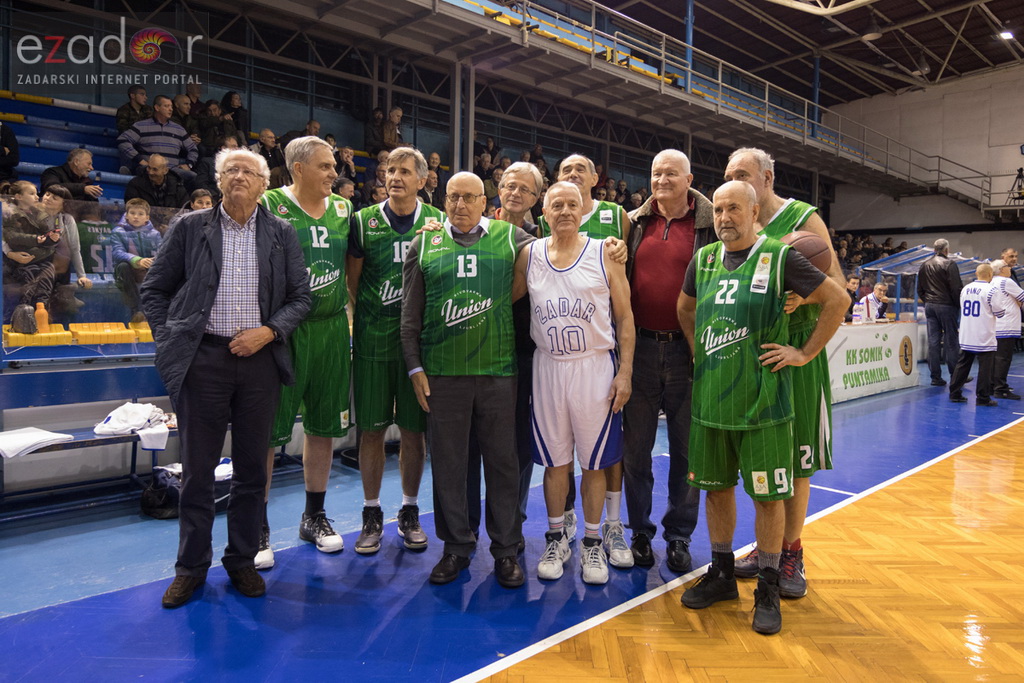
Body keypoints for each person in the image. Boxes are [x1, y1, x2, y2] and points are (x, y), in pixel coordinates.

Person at [141, 147, 311, 608]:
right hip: (204, 361)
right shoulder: (189, 228)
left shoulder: (281, 233)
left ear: (263, 185)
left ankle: (241, 561)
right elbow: (154, 289)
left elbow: (301, 298)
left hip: (259, 362)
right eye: (230, 170)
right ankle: (190, 569)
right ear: (219, 181)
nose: (239, 176)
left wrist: (268, 332)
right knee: (197, 472)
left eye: (248, 171)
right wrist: (174, 338)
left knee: (253, 470)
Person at [677, 180, 846, 635]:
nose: (725, 217)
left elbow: (838, 299)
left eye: (735, 209)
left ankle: (768, 586)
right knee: (716, 490)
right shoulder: (704, 259)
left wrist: (804, 353)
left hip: (764, 404)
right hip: (712, 402)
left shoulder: (782, 256)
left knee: (769, 498)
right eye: (719, 210)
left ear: (755, 213)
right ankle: (722, 574)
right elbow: (685, 310)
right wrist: (698, 351)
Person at [400, 172, 534, 588]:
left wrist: (610, 248)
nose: (460, 205)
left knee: (503, 465)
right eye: (453, 197)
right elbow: (410, 315)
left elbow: (563, 251)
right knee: (450, 466)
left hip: (498, 372)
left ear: (484, 201)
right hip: (442, 374)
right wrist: (415, 367)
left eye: (469, 197)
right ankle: (456, 548)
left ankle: (506, 550)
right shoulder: (424, 242)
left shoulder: (513, 240)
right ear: (443, 201)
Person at [723, 147, 844, 598]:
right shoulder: (738, 222)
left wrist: (802, 305)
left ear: (768, 178)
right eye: (730, 174)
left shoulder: (801, 219)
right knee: (764, 457)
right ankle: (766, 546)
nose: (736, 180)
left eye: (744, 174)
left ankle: (792, 550)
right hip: (755, 354)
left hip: (795, 350)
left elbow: (835, 288)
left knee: (795, 460)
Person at [520, 181, 634, 585]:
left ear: (584, 209)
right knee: (555, 463)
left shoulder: (604, 252)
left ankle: (590, 544)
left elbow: (624, 317)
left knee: (594, 462)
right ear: (544, 213)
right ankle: (556, 537)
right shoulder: (529, 254)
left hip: (594, 367)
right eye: (557, 205)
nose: (565, 211)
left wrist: (625, 372)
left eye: (572, 204)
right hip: (548, 367)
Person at [255, 137, 352, 570]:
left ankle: (313, 515)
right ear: (297, 168)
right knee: (267, 433)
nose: (335, 173)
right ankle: (256, 525)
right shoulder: (269, 204)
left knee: (324, 425)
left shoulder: (345, 211)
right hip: (284, 330)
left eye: (334, 166)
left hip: (332, 328)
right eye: (326, 166)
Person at [347, 147, 441, 555]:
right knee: (370, 430)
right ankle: (371, 512)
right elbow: (353, 282)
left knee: (414, 434)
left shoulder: (437, 223)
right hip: (373, 341)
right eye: (390, 170)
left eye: (405, 171)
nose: (395, 176)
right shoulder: (363, 222)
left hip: (419, 348)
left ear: (422, 180)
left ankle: (409, 509)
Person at [623, 149, 711, 574]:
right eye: (656, 173)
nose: (661, 180)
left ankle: (679, 537)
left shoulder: (709, 224)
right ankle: (639, 531)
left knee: (687, 453)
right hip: (638, 348)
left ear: (689, 178)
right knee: (635, 450)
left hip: (688, 349)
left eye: (670, 173)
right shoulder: (633, 222)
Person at [2, 181, 57, 328]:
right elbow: (12, 238)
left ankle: (42, 317)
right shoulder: (10, 214)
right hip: (22, 260)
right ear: (19, 196)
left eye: (36, 193)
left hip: (40, 257)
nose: (36, 197)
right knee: (29, 286)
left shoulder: (39, 214)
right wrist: (36, 240)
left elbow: (47, 235)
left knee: (47, 277)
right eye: (31, 193)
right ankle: (23, 320)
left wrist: (52, 238)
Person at [949, 263, 1003, 407]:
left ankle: (954, 393)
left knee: (963, 364)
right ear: (990, 274)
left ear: (976, 273)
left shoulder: (965, 289)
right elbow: (1000, 312)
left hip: (967, 333)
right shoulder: (991, 290)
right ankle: (983, 398)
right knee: (985, 368)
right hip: (984, 334)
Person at [117, 95, 198, 183]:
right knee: (144, 170)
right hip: (149, 169)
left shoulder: (179, 129)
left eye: (171, 106)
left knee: (193, 176)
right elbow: (122, 140)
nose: (170, 109)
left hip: (171, 170)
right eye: (166, 106)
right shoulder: (141, 126)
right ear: (157, 107)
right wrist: (139, 159)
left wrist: (189, 165)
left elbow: (193, 149)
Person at [917, 239, 964, 386]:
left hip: (930, 306)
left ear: (934, 250)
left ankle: (935, 377)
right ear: (947, 250)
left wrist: (928, 301)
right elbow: (956, 288)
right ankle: (956, 376)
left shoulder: (924, 265)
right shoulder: (950, 264)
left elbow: (920, 289)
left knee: (934, 342)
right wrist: (958, 305)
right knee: (951, 341)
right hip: (947, 306)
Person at [110, 198, 162, 322]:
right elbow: (117, 252)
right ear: (126, 215)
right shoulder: (118, 232)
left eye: (140, 214)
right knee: (123, 266)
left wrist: (152, 262)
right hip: (127, 270)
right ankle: (136, 310)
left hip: (148, 268)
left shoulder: (155, 234)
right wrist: (137, 261)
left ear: (147, 217)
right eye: (132, 213)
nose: (136, 217)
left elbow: (163, 252)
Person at [36, 185, 91, 290]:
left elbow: (74, 249)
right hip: (37, 267)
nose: (48, 198)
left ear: (63, 204)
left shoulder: (67, 220)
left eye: (55, 198)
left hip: (61, 269)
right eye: (47, 194)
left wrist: (82, 276)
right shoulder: (33, 215)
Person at [989, 259, 1024, 400]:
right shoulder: (1006, 282)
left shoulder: (991, 282)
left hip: (995, 326)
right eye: (1007, 266)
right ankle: (1001, 388)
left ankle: (992, 385)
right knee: (1004, 358)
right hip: (1007, 325)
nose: (1010, 268)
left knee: (994, 358)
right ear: (1002, 269)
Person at [124, 154, 189, 208]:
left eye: (155, 169)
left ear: (165, 170)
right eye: (149, 168)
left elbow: (183, 211)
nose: (150, 172)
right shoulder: (135, 184)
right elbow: (131, 207)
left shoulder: (178, 187)